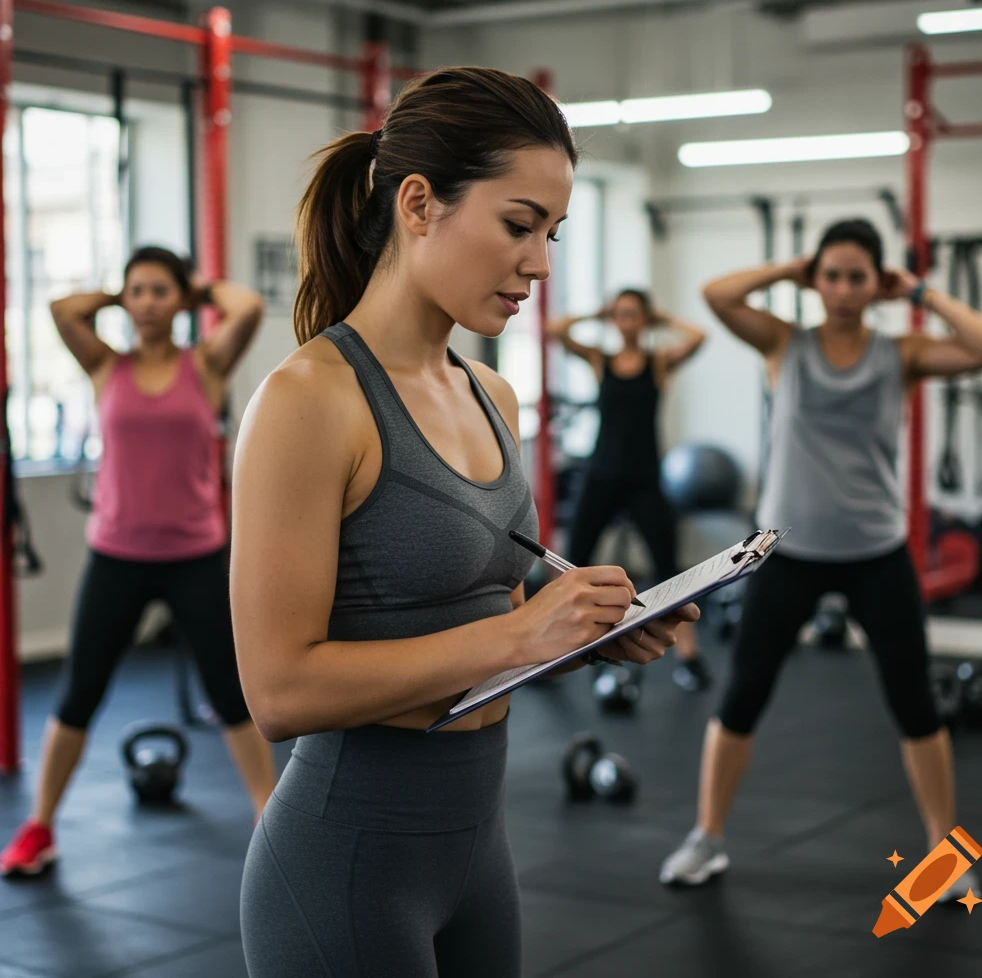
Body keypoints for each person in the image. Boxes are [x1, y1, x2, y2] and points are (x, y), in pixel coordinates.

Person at [232, 66, 699, 978]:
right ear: (419, 203)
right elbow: (279, 693)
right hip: (346, 859)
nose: (541, 263)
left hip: (477, 847)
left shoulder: (492, 394)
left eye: (553, 232)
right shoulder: (308, 401)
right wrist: (521, 634)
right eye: (519, 225)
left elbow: (487, 604)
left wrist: (586, 631)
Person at [659, 219, 982, 900]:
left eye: (858, 277)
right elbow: (717, 293)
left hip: (876, 553)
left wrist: (920, 292)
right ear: (816, 280)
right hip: (785, 552)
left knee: (914, 705)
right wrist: (791, 266)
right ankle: (707, 837)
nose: (844, 289)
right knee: (742, 698)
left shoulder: (900, 352)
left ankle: (943, 855)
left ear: (877, 284)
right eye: (832, 274)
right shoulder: (784, 342)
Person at [1, 247, 277, 878]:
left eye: (160, 292)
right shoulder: (105, 365)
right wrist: (117, 295)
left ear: (180, 300)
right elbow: (60, 309)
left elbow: (250, 306)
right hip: (117, 556)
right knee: (79, 694)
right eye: (138, 292)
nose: (147, 303)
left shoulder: (205, 365)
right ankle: (40, 827)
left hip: (197, 556)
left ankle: (271, 819)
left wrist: (194, 286)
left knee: (231, 695)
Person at [547, 291, 711, 690]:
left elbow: (699, 336)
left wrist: (661, 316)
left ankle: (689, 658)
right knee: (575, 563)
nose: (626, 322)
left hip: (644, 481)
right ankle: (550, 653)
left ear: (644, 319)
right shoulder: (600, 359)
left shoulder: (657, 363)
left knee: (668, 568)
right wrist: (597, 313)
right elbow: (555, 330)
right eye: (620, 315)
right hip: (600, 477)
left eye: (634, 315)